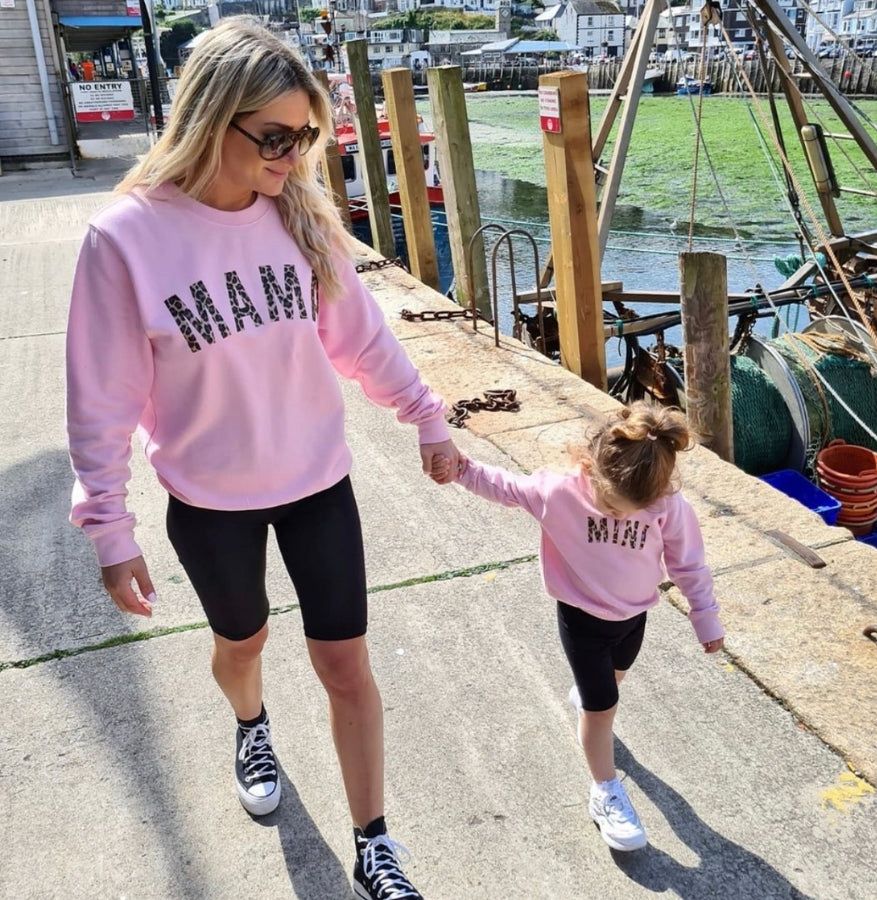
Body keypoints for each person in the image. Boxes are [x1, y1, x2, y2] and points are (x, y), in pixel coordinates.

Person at [65, 16, 458, 900]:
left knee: (345, 664)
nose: (293, 156)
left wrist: (426, 416)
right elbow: (101, 400)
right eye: (275, 137)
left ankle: (375, 842)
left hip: (318, 482)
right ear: (212, 120)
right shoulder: (125, 239)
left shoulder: (303, 217)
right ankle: (250, 722)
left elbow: (361, 339)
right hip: (209, 500)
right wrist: (108, 526)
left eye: (307, 135)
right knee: (242, 643)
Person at [439, 401, 724, 852]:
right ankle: (605, 790)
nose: (620, 516)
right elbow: (503, 486)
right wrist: (458, 468)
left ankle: (592, 698)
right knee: (601, 708)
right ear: (588, 467)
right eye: (611, 503)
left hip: (633, 617)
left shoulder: (666, 505)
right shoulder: (557, 491)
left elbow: (688, 564)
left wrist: (704, 616)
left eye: (631, 510)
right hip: (581, 618)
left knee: (616, 677)